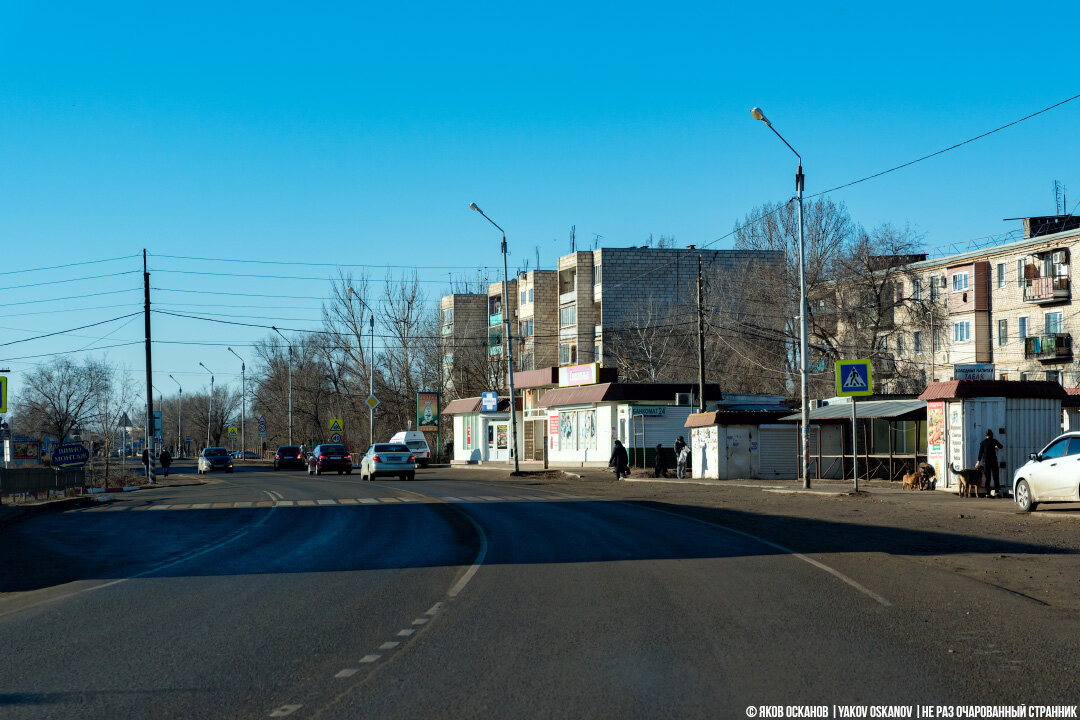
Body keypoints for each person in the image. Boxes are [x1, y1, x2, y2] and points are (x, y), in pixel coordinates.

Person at [977, 429, 1004, 497]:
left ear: (986, 435)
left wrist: (978, 462)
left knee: (988, 478)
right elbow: (1001, 446)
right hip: (993, 461)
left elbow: (980, 453)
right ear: (991, 435)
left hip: (986, 462)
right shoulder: (994, 441)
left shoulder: (983, 443)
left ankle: (988, 493)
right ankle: (996, 492)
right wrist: (996, 446)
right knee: (995, 477)